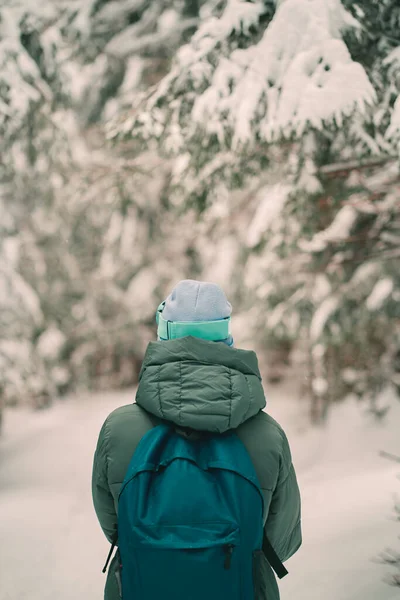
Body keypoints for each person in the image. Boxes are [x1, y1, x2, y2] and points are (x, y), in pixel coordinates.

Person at [92, 279, 302, 600]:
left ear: (163, 337)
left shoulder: (118, 429)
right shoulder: (267, 435)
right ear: (226, 337)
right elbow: (282, 543)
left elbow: (116, 529)